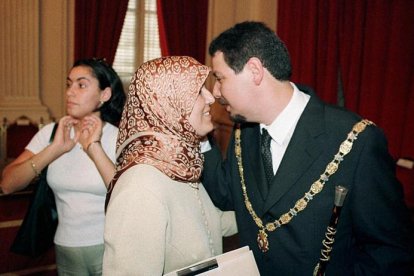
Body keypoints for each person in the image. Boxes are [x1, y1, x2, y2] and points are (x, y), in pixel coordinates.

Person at [201, 21, 414, 275]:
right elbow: (227, 194)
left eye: (220, 78)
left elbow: (390, 252)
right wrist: (200, 136)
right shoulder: (244, 132)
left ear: (254, 71)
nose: (215, 92)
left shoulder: (356, 140)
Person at [103, 56, 237, 275]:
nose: (211, 98)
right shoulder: (140, 187)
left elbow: (209, 221)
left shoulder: (177, 164)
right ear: (168, 104)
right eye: (198, 91)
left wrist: (268, 214)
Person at [1, 58, 126, 275]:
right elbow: (7, 184)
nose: (70, 92)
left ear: (104, 95)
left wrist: (94, 147)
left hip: (110, 247)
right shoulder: (52, 133)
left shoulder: (118, 138)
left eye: (81, 84)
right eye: (69, 84)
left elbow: (125, 196)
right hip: (65, 248)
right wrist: (55, 149)